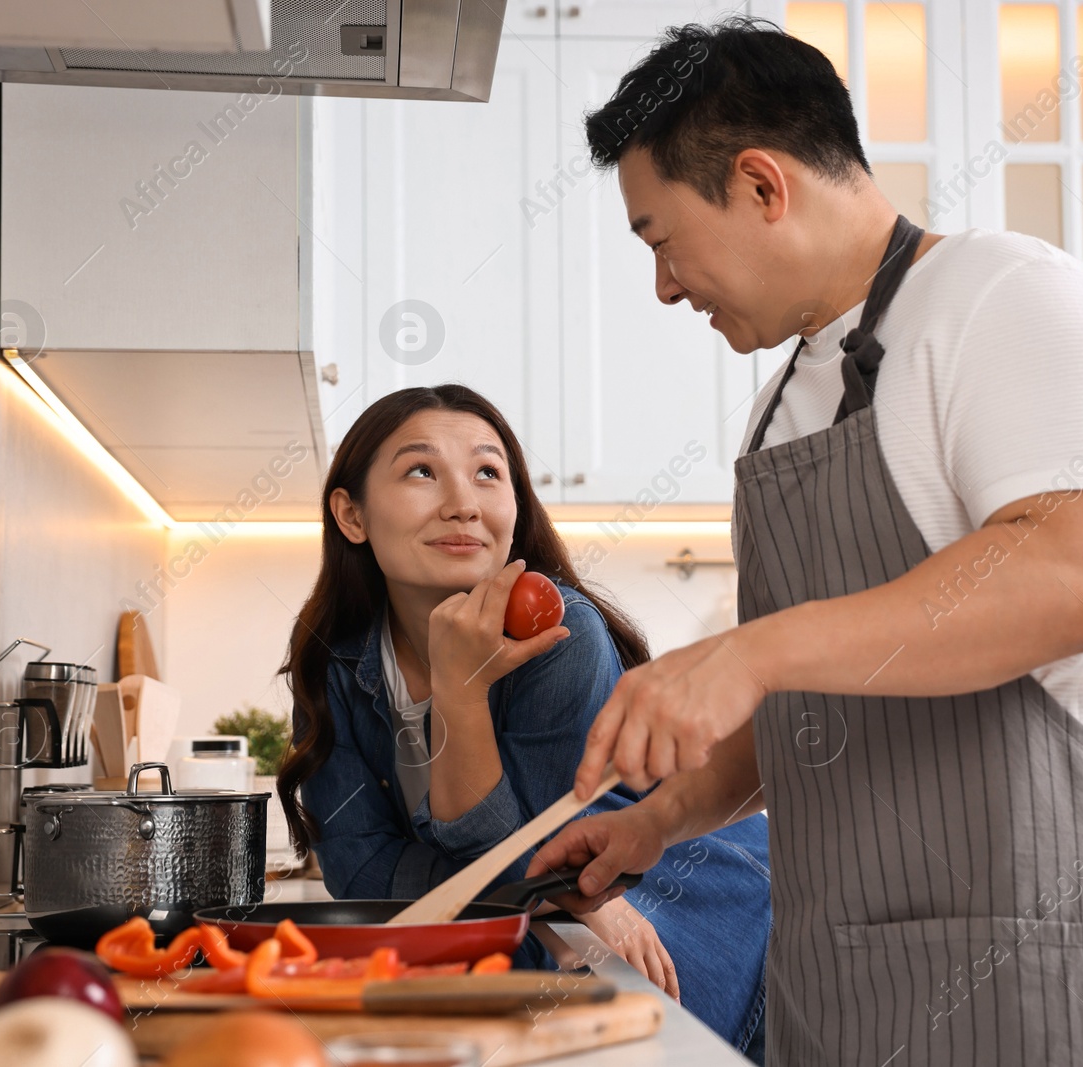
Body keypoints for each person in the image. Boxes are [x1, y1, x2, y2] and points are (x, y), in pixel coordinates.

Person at [528, 18, 1083, 1067]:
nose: (662, 284)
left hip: (1023, 966)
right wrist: (663, 821)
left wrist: (748, 651)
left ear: (760, 185)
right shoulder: (781, 408)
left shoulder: (1013, 300)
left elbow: (1075, 576)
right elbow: (817, 705)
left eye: (659, 239)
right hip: (834, 980)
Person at [276, 384, 772, 1060]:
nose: (463, 502)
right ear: (351, 514)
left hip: (710, 927)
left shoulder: (558, 632)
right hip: (569, 955)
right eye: (422, 470)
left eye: (488, 471)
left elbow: (547, 858)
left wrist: (460, 696)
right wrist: (535, 892)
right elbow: (360, 868)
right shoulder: (334, 659)